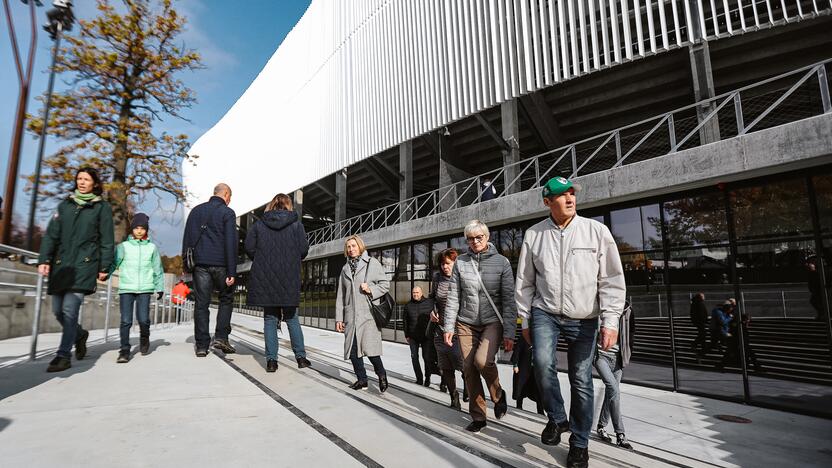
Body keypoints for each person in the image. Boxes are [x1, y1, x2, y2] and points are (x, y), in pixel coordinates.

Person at [515, 176, 625, 468]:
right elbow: (524, 281)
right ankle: (557, 418)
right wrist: (524, 318)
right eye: (562, 195)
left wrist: (610, 321)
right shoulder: (533, 235)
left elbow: (612, 280)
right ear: (547, 202)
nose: (570, 199)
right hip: (545, 312)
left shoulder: (596, 231)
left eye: (572, 194)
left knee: (581, 380)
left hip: (585, 317)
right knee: (541, 363)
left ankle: (579, 444)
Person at [37, 167, 114, 372]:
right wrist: (44, 259)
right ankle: (80, 335)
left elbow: (107, 239)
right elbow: (51, 235)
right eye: (79, 179)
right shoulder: (65, 206)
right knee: (57, 311)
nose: (81, 182)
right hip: (62, 266)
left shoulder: (101, 208)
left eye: (86, 179)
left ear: (94, 184)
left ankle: (63, 356)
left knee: (70, 310)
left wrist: (105, 265)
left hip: (84, 265)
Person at [444, 219, 517, 433]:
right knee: (468, 367)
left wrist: (510, 332)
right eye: (470, 238)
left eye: (479, 237)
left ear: (487, 237)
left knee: (482, 361)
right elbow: (454, 297)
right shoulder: (461, 262)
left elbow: (509, 300)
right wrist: (449, 327)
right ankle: (478, 416)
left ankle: (498, 394)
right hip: (465, 322)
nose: (475, 241)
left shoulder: (501, 262)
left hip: (491, 321)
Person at [244, 193, 311, 372]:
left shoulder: (259, 225)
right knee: (292, 318)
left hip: (265, 277)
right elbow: (304, 250)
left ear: (271, 205)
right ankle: (301, 358)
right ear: (289, 205)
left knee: (270, 319)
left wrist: (261, 258)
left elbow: (249, 247)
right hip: (289, 277)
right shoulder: (297, 226)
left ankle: (272, 361)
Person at [181, 183, 238, 357]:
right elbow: (231, 243)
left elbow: (187, 239)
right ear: (226, 194)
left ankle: (201, 345)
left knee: (201, 304)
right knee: (226, 299)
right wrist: (231, 272)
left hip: (201, 265)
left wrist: (186, 264)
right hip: (221, 264)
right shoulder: (228, 213)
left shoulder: (196, 211)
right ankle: (221, 336)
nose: (229, 200)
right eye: (230, 197)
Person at [335, 235, 389, 392]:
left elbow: (385, 285)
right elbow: (340, 295)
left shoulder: (372, 263)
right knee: (352, 352)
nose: (351, 249)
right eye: (348, 247)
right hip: (351, 316)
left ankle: (381, 374)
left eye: (354, 246)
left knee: (370, 351)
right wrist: (339, 318)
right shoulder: (345, 269)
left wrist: (371, 289)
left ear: (360, 246)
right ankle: (362, 380)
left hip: (368, 315)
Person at [111, 213, 164, 363]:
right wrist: (102, 275)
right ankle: (124, 350)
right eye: (136, 228)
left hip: (145, 289)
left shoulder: (152, 248)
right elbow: (114, 264)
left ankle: (144, 337)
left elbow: (157, 269)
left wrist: (159, 287)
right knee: (126, 321)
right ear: (132, 230)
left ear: (146, 230)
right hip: (127, 288)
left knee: (143, 319)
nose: (139, 231)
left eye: (142, 228)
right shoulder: (123, 247)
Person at [429, 248, 467, 410]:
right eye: (442, 264)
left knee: (463, 365)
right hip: (440, 329)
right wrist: (432, 311)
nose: (445, 267)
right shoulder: (437, 278)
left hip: (459, 330)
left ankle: (469, 387)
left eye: (448, 263)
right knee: (445, 367)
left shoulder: (462, 278)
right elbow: (432, 298)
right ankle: (454, 397)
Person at [594, 302, 635, 451]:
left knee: (611, 393)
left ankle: (601, 426)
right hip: (601, 357)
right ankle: (620, 435)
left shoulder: (627, 311)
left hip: (618, 359)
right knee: (614, 390)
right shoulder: (597, 308)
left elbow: (631, 333)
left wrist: (626, 354)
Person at [404, 286, 436, 386]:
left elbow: (434, 317)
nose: (415, 294)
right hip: (413, 336)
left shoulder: (429, 303)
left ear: (421, 293)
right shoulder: (408, 305)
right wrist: (407, 335)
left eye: (417, 292)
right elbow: (405, 321)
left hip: (426, 336)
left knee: (426, 358)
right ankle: (419, 378)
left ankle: (428, 377)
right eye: (414, 293)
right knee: (414, 357)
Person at [511, 327, 544, 415]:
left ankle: (540, 411)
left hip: (536, 369)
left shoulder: (541, 339)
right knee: (520, 387)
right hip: (523, 368)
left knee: (538, 390)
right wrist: (515, 365)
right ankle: (519, 406)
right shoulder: (524, 337)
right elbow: (517, 351)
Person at [689, 292, 708, 358]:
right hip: (700, 321)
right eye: (703, 296)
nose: (704, 297)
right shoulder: (698, 303)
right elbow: (700, 313)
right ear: (700, 297)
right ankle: (696, 344)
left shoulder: (695, 303)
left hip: (699, 321)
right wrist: (704, 320)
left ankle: (702, 345)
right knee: (703, 333)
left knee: (702, 333)